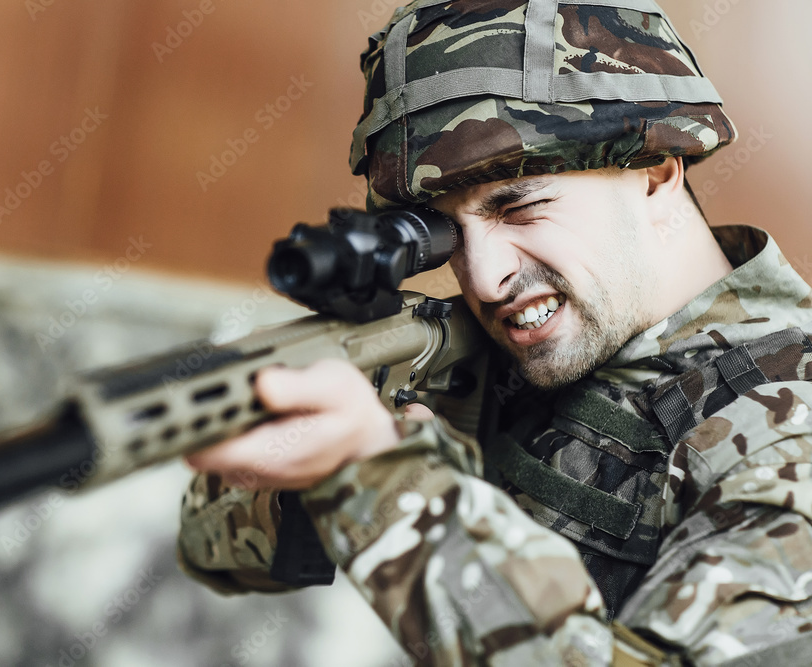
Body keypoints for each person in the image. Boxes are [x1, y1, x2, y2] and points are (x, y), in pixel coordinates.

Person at [178, 1, 812, 664]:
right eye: (447, 234)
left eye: (521, 205)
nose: (482, 278)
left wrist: (380, 481)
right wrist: (306, 463)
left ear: (655, 173)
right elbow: (216, 553)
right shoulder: (520, 355)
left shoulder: (787, 436)